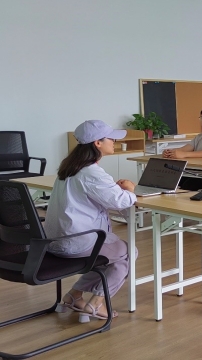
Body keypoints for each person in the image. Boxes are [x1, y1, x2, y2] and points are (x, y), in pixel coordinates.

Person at [44, 120, 136, 322]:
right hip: (77, 242)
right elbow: (120, 201)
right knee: (128, 253)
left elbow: (96, 196)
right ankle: (96, 304)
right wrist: (130, 189)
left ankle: (74, 296)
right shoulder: (91, 172)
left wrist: (113, 189)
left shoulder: (69, 168)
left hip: (54, 241)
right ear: (97, 143)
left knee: (113, 254)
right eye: (111, 138)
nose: (114, 142)